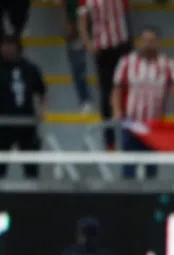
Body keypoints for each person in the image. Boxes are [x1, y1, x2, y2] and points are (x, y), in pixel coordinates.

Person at [112, 26, 174, 179]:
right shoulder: (127, 62)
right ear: (140, 42)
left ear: (158, 42)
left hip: (154, 125)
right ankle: (127, 193)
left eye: (152, 41)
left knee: (152, 167)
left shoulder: (167, 64)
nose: (148, 44)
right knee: (128, 166)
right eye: (145, 40)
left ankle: (151, 193)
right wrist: (116, 110)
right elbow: (117, 89)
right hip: (132, 123)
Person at [0, 34, 46, 180]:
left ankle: (33, 191)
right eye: (4, 46)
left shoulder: (30, 68)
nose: (6, 49)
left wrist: (41, 110)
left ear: (17, 47)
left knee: (31, 167)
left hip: (26, 123)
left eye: (9, 45)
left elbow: (42, 90)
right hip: (2, 124)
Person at [78, 0, 132, 150]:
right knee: (106, 94)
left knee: (127, 91)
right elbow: (82, 22)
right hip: (103, 48)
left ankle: (130, 136)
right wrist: (88, 44)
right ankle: (110, 141)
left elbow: (126, 13)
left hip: (122, 44)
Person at [59, 0, 93, 114]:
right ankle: (84, 99)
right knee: (78, 67)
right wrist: (66, 23)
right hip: (74, 28)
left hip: (93, 26)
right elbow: (63, 5)